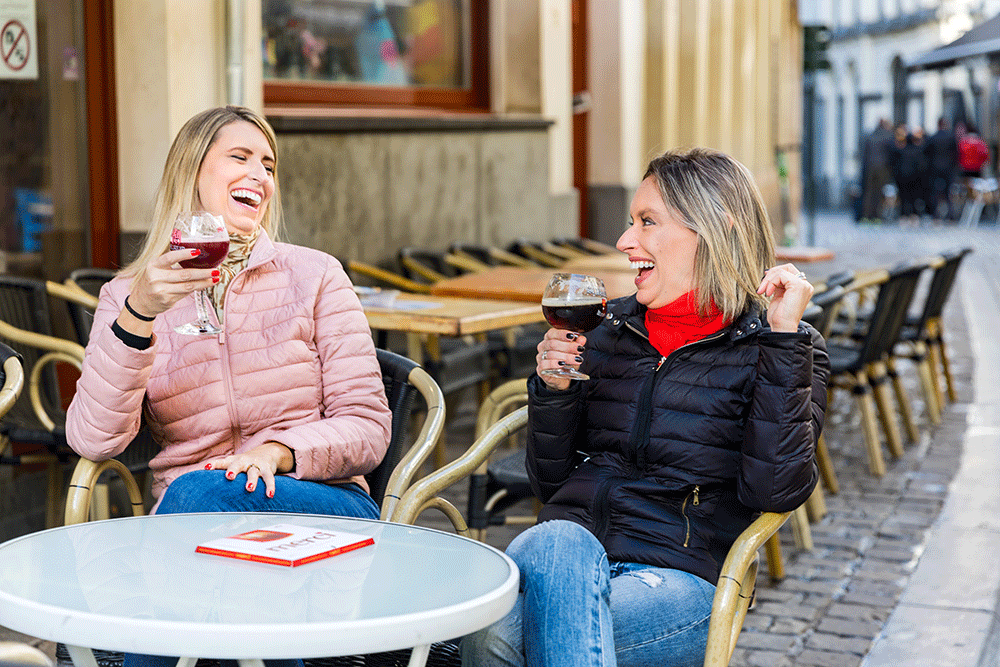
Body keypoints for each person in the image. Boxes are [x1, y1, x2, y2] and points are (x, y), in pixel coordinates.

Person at [463, 147, 829, 667]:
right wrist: (554, 393)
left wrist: (782, 342)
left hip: (677, 579)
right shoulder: (604, 329)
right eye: (630, 222)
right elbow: (550, 485)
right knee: (556, 544)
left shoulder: (783, 346)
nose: (623, 241)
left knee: (501, 629)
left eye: (647, 222)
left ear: (716, 228)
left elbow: (774, 490)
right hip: (565, 559)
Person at [66, 107, 392, 666]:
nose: (260, 176)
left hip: (318, 507)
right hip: (198, 536)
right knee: (213, 541)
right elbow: (93, 440)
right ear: (192, 172)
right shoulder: (129, 295)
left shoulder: (314, 275)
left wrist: (277, 452)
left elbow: (368, 427)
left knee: (195, 493)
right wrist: (139, 316)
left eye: (268, 164)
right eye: (239, 158)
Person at [860, 118, 894, 223]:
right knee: (878, 193)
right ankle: (877, 217)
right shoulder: (888, 136)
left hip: (870, 167)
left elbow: (864, 153)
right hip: (882, 167)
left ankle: (866, 216)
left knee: (868, 192)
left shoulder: (870, 136)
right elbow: (891, 153)